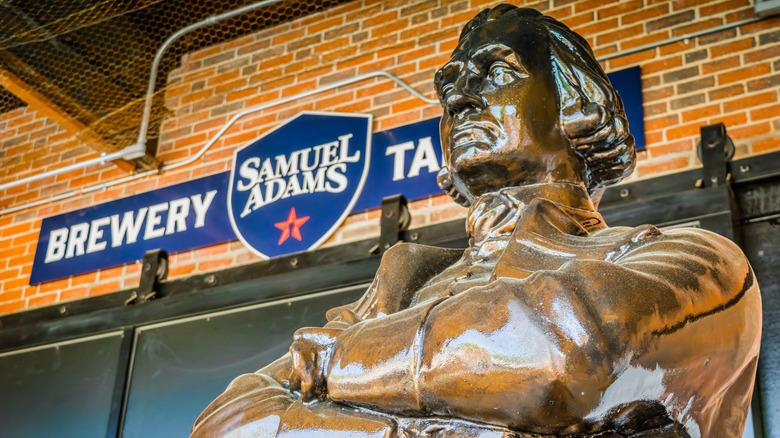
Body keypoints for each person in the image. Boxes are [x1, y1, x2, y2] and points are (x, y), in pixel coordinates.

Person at [192, 6, 761, 438]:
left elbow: (556, 355)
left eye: (494, 73)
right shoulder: (400, 285)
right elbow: (227, 420)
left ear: (576, 103)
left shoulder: (693, 262)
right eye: (450, 87)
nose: (459, 97)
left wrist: (334, 364)